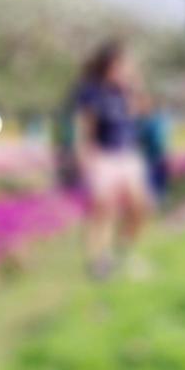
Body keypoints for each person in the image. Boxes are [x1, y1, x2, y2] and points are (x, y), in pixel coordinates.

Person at [71, 40, 153, 279]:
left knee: (141, 206)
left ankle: (123, 248)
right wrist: (83, 157)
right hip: (103, 156)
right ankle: (99, 261)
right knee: (104, 209)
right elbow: (84, 127)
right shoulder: (91, 91)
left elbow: (144, 112)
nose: (128, 69)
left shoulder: (126, 90)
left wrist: (136, 87)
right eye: (124, 65)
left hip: (128, 155)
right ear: (110, 65)